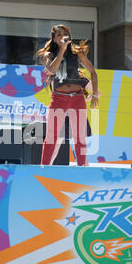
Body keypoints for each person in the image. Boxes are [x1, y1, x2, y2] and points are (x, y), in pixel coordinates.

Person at [36, 24, 99, 166]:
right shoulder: (49, 54)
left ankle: (82, 169)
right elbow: (51, 70)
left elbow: (93, 73)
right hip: (59, 98)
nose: (62, 36)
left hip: (77, 97)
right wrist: (62, 50)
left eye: (64, 33)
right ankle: (43, 168)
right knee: (52, 136)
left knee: (79, 137)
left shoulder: (77, 53)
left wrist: (94, 95)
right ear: (54, 39)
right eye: (58, 34)